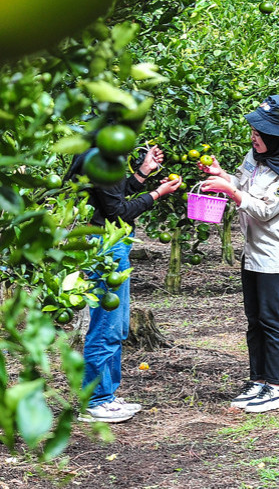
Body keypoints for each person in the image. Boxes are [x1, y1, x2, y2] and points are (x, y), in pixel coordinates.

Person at [199, 94, 279, 414]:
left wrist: (231, 192)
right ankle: (258, 380)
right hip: (254, 253)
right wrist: (222, 175)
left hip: (277, 256)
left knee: (272, 320)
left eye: (260, 133)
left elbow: (264, 210)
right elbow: (241, 182)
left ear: (278, 137)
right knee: (255, 320)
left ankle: (276, 387)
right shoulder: (255, 156)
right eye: (254, 130)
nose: (254, 136)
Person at [74, 143, 181, 424]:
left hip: (111, 243)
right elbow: (118, 211)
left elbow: (113, 196)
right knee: (106, 325)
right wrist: (157, 194)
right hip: (104, 246)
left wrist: (144, 173)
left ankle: (106, 395)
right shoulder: (100, 159)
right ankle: (96, 400)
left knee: (116, 325)